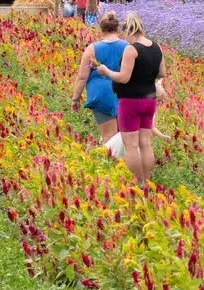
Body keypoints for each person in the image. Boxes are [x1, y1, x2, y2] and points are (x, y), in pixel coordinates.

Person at [95, 13, 165, 184]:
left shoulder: (131, 49)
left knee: (131, 145)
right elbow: (162, 73)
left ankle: (138, 181)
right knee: (145, 143)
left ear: (128, 30)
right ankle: (147, 181)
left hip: (130, 102)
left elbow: (123, 78)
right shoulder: (156, 47)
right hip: (149, 101)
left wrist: (106, 71)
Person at [70, 12, 127, 143]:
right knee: (125, 137)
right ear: (117, 28)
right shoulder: (128, 47)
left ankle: (110, 156)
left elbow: (82, 77)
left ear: (101, 28)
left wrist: (75, 99)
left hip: (101, 95)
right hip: (123, 93)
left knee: (109, 138)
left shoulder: (92, 49)